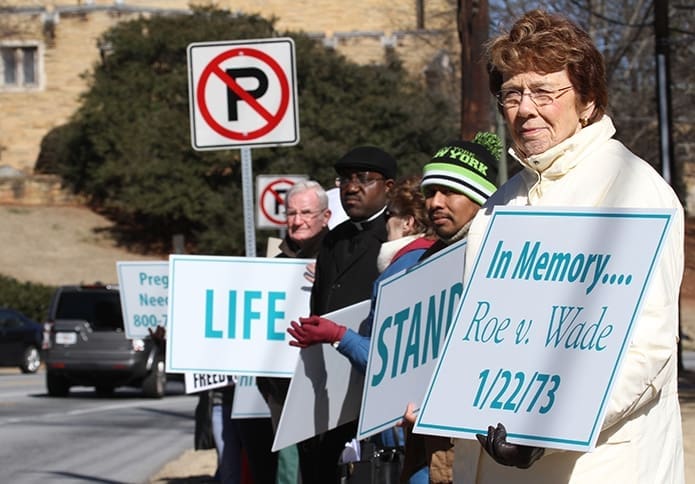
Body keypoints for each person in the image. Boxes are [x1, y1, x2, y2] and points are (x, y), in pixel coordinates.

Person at [454, 9, 685, 483]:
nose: (525, 108)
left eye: (544, 91)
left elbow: (648, 346)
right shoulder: (500, 205)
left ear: (587, 103)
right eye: (512, 93)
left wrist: (552, 428)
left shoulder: (634, 191)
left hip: (595, 465)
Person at [287, 175, 436, 482]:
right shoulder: (433, 261)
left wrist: (337, 335)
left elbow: (386, 360)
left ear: (407, 223)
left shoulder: (400, 271)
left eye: (390, 217)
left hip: (399, 434)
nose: (384, 226)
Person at [397, 133, 501, 484]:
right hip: (426, 444)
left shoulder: (503, 257)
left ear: (479, 197)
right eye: (430, 192)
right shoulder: (427, 259)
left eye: (450, 191)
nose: (435, 203)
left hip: (477, 447)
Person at [295, 145, 397, 484]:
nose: (351, 187)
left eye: (364, 179)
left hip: (372, 382)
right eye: (345, 179)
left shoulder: (397, 240)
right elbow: (320, 304)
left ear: (389, 187)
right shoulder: (332, 239)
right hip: (327, 384)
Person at [255, 180, 332, 484]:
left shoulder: (339, 254)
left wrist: (327, 276)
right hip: (280, 388)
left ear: (325, 217)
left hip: (325, 383)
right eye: (291, 213)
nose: (297, 220)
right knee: (289, 468)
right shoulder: (274, 265)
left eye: (306, 213)